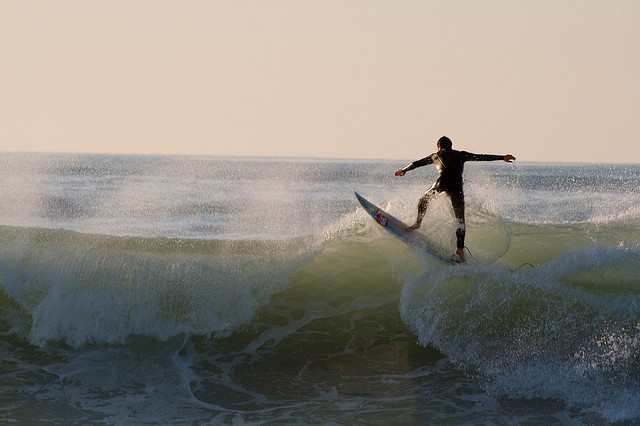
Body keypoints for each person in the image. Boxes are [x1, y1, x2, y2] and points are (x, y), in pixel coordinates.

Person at [394, 136, 515, 262]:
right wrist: (502, 157)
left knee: (424, 200)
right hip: (457, 187)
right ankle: (460, 249)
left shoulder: (435, 155)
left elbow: (416, 164)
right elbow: (481, 156)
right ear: (451, 146)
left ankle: (417, 223)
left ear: (439, 146)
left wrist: (404, 170)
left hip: (442, 183)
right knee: (460, 219)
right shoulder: (461, 155)